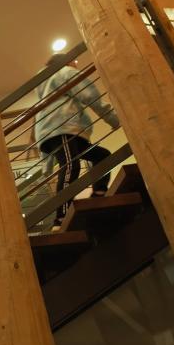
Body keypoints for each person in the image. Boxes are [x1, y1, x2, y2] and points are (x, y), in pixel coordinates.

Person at [34, 54, 121, 230]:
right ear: (65, 63)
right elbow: (90, 95)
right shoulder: (64, 72)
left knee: (102, 156)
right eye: (74, 62)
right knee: (70, 165)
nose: (76, 65)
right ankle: (61, 216)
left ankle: (98, 192)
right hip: (62, 128)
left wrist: (46, 164)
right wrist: (114, 119)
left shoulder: (46, 87)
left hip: (62, 131)